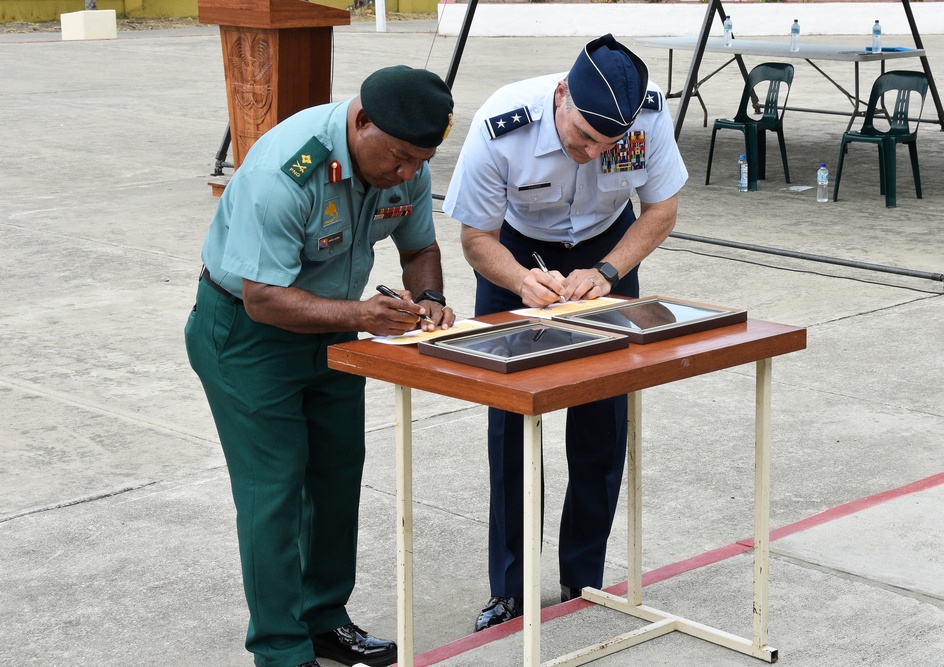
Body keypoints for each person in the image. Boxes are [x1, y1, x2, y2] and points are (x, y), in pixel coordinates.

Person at [185, 65, 456, 667]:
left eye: (420, 162)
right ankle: (281, 650)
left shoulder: (405, 160)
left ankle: (323, 620)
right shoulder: (289, 169)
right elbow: (263, 297)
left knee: (336, 478)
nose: (408, 175)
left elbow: (420, 247)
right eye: (402, 159)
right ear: (362, 122)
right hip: (246, 335)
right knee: (273, 492)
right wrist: (363, 312)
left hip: (333, 331)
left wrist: (430, 299)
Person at [443, 34, 688, 632]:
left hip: (607, 250)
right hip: (515, 255)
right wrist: (523, 281)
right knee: (512, 427)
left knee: (602, 422)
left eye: (604, 145)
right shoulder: (502, 125)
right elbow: (476, 237)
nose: (588, 151)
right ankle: (511, 589)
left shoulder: (648, 116)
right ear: (560, 95)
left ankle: (584, 581)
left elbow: (661, 209)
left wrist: (609, 271)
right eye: (580, 136)